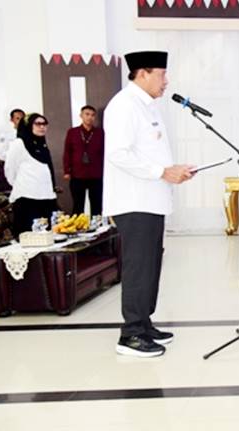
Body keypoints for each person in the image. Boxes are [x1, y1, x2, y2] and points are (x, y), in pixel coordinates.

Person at [104, 51, 195, 358]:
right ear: (141, 74)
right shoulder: (124, 105)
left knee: (151, 264)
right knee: (138, 266)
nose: (166, 81)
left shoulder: (148, 106)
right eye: (161, 74)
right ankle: (130, 335)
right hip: (134, 201)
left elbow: (151, 154)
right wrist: (162, 172)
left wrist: (173, 171)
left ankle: (143, 324)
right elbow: (118, 153)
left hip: (152, 200)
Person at [3, 114, 60, 238]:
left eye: (44, 124)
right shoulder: (19, 143)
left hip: (46, 196)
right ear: (28, 125)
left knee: (48, 236)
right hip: (27, 198)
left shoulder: (42, 144)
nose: (42, 127)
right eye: (38, 124)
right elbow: (10, 170)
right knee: (29, 237)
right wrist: (21, 185)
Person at [63, 105, 105, 215]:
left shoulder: (100, 133)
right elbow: (67, 152)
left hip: (96, 174)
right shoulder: (73, 132)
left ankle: (97, 228)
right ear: (81, 116)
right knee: (78, 205)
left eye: (92, 115)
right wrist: (67, 171)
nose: (89, 117)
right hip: (77, 174)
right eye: (87, 114)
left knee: (97, 204)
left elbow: (104, 153)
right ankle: (77, 228)